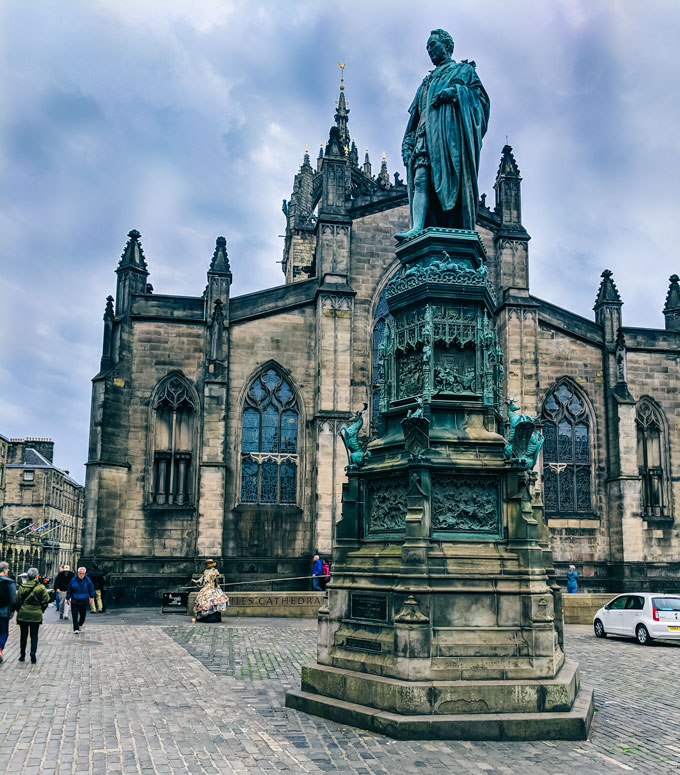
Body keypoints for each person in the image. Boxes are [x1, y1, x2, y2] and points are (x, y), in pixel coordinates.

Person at [395, 28, 490, 240]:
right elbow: (415, 116)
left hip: (448, 140)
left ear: (446, 46)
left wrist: (455, 92)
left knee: (451, 186)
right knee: (420, 180)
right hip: (424, 136)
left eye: (432, 45)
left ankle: (453, 228)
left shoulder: (463, 71)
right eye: (427, 47)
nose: (429, 50)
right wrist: (406, 143)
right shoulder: (426, 82)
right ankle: (417, 227)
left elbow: (480, 102)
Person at [14, 567, 50, 663]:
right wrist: (41, 609)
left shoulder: (22, 587)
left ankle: (22, 654)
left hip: (23, 614)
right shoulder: (41, 587)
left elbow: (17, 601)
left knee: (23, 635)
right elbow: (46, 600)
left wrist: (20, 610)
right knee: (34, 635)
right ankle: (33, 654)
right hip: (35, 614)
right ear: (37, 577)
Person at [66, 567, 95, 635]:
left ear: (85, 573)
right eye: (80, 573)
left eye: (83, 573)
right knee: (74, 615)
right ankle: (76, 628)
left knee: (83, 615)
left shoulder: (88, 580)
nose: (81, 574)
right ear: (78, 573)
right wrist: (68, 598)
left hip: (84, 599)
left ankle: (80, 624)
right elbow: (69, 589)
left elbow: (91, 588)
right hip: (75, 599)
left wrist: (91, 597)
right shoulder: (73, 580)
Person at [0, 561, 17, 664]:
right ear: (5, 571)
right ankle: (0, 649)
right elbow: (13, 599)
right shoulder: (9, 582)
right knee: (4, 633)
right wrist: (12, 611)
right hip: (3, 612)